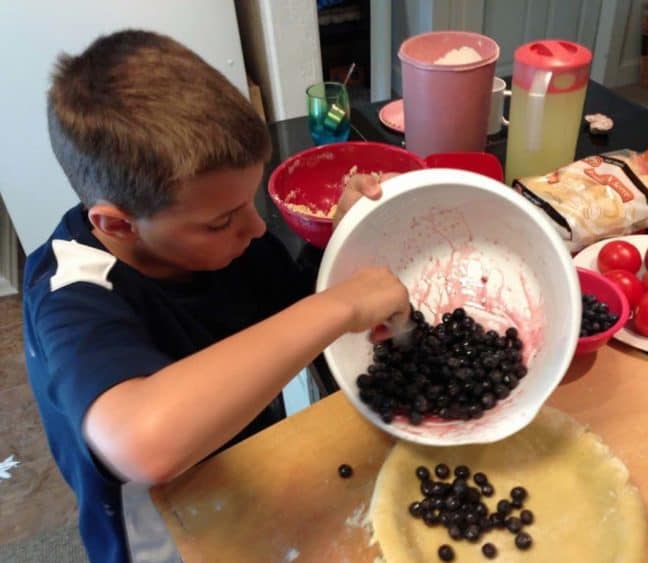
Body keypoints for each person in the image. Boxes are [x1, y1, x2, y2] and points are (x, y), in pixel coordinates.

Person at [23, 29, 409, 563]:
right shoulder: (71, 293)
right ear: (117, 223)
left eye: (248, 203)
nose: (254, 228)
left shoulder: (227, 238)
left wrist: (339, 240)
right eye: (223, 220)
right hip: (164, 533)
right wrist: (339, 305)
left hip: (244, 474)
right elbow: (145, 443)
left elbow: (291, 309)